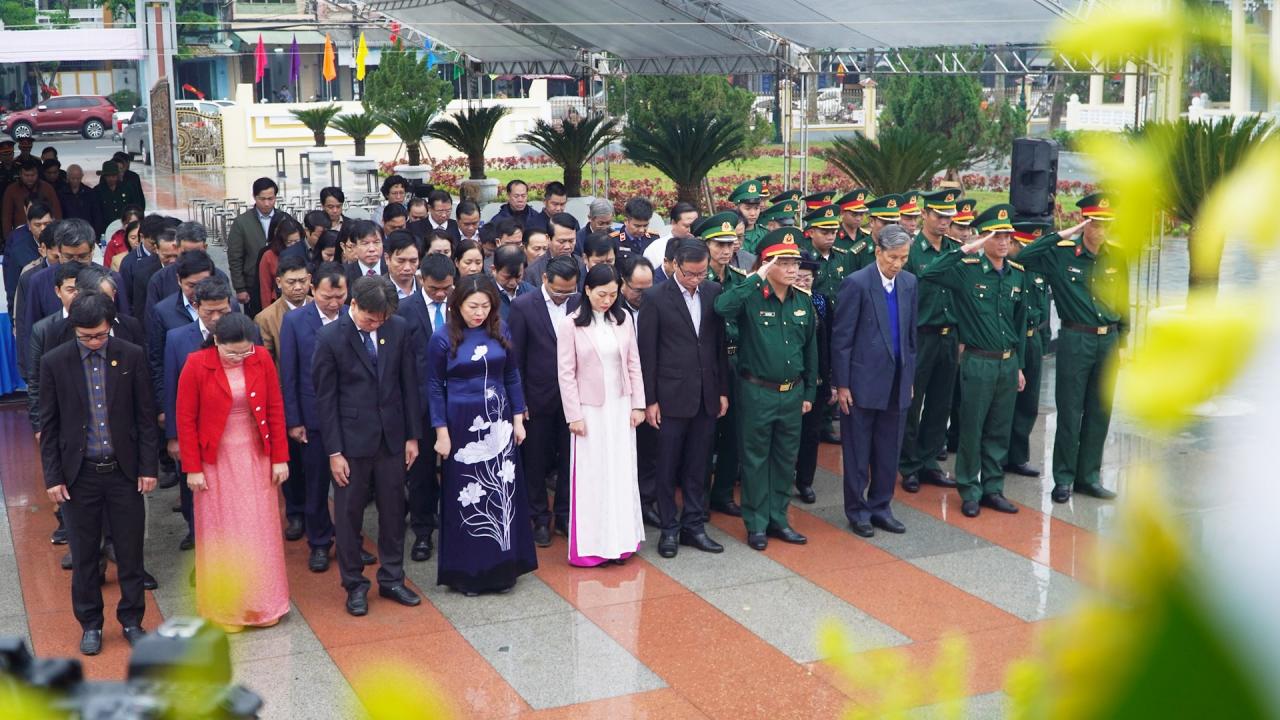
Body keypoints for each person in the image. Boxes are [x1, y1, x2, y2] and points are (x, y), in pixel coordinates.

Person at [39, 292, 158, 656]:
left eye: (100, 335)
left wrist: (147, 468)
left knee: (130, 550)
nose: (94, 342)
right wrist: (53, 477)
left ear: (111, 326)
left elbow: (145, 417)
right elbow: (50, 424)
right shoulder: (55, 362)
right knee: (85, 555)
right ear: (73, 329)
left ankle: (132, 620)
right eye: (86, 336)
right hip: (79, 475)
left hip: (123, 472)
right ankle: (91, 623)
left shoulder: (130, 355)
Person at [312, 277, 422, 616]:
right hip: (350, 442)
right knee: (349, 515)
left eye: (381, 320)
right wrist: (334, 452)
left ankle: (391, 578)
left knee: (392, 511)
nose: (375, 324)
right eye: (369, 318)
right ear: (353, 304)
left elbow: (409, 385)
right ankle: (354, 585)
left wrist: (412, 436)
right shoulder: (330, 337)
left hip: (391, 437)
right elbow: (325, 400)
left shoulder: (398, 329)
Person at [176, 313, 290, 631]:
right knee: (222, 532)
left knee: (260, 530)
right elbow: (185, 419)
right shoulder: (197, 364)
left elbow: (275, 407)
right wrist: (193, 468)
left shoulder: (261, 358)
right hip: (216, 459)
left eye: (245, 351)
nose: (240, 357)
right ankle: (226, 608)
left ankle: (263, 603)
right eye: (233, 352)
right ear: (216, 342)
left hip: (256, 455)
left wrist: (280, 458)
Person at [1012, 194, 1125, 504]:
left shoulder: (1116, 256)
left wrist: (1124, 342)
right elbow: (1023, 256)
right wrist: (1063, 234)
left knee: (1100, 411)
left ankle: (1088, 477)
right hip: (1077, 339)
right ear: (1085, 223)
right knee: (1071, 410)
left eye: (1106, 224)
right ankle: (1063, 478)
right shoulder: (1061, 254)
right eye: (1095, 223)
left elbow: (1124, 302)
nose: (1101, 230)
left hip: (1109, 339)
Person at [918, 205, 1028, 518]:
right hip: (978, 361)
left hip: (1007, 363)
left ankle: (993, 488)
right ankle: (970, 488)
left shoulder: (1016, 275)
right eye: (996, 235)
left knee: (998, 429)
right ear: (983, 238)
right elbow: (930, 273)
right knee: (972, 428)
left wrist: (1018, 364)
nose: (1004, 241)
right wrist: (967, 248)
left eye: (1007, 235)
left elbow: (1018, 323)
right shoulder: (967, 269)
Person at [428, 275, 536, 592]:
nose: (478, 312)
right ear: (457, 305)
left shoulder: (499, 330)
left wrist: (518, 418)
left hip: (499, 419)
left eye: (485, 306)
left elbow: (513, 373)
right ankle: (467, 571)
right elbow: (434, 387)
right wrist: (441, 432)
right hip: (461, 421)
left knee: (502, 491)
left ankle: (504, 567)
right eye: (472, 306)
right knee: (467, 495)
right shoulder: (442, 338)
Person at [713, 227, 817, 551]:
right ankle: (756, 523)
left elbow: (811, 351)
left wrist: (810, 394)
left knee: (786, 459)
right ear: (765, 263)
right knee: (756, 461)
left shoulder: (803, 302)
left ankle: (779, 519)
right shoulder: (751, 296)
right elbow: (721, 308)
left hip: (792, 393)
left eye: (794, 263)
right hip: (758, 391)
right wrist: (755, 278)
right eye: (782, 263)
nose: (791, 270)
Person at [637, 240, 729, 557]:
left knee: (698, 464)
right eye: (691, 274)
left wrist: (722, 391)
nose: (696, 280)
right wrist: (650, 400)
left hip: (705, 394)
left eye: (702, 273)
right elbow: (646, 353)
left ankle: (694, 525)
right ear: (676, 266)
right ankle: (669, 529)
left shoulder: (713, 292)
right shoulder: (655, 298)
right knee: (666, 466)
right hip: (670, 396)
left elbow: (718, 348)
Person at [557, 265, 647, 566]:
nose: (607, 300)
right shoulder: (570, 324)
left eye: (612, 294)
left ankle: (622, 541)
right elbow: (566, 373)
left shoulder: (623, 320)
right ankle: (592, 546)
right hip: (589, 410)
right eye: (601, 294)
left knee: (621, 472)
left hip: (620, 405)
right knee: (592, 475)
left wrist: (638, 404)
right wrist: (573, 415)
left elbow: (634, 364)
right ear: (586, 291)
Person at [832, 224, 917, 537]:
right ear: (878, 251)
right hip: (861, 383)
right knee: (857, 451)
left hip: (897, 382)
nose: (897, 264)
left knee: (888, 449)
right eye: (892, 257)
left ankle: (882, 506)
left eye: (903, 258)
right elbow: (841, 339)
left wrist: (909, 376)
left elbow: (910, 338)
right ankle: (857, 511)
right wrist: (841, 384)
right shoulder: (856, 283)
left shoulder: (909, 283)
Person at [162, 276, 242, 552]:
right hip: (195, 431)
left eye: (224, 311)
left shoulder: (243, 331)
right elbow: (171, 388)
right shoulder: (178, 339)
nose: (218, 318)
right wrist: (173, 437)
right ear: (196, 306)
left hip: (234, 431)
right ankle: (199, 538)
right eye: (211, 312)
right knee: (194, 492)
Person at [278, 263, 346, 571]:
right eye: (327, 296)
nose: (334, 303)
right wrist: (293, 420)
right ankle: (319, 542)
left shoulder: (353, 316)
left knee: (351, 485)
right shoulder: (294, 321)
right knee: (316, 484)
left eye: (340, 295)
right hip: (313, 416)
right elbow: (288, 373)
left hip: (351, 415)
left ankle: (349, 540)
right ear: (312, 290)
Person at [509, 256, 581, 545]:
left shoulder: (578, 304)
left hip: (573, 398)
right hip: (537, 398)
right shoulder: (523, 307)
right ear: (545, 280)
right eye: (559, 290)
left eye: (570, 290)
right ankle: (539, 517)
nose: (564, 295)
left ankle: (564, 513)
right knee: (536, 461)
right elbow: (517, 359)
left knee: (570, 458)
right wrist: (520, 401)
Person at [897, 191, 961, 494]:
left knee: (940, 402)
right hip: (920, 335)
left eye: (949, 216)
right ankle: (909, 464)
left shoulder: (956, 249)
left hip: (949, 336)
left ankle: (929, 460)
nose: (944, 222)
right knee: (912, 402)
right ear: (925, 215)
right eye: (939, 216)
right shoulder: (911, 251)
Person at [397, 254, 455, 562]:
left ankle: (457, 526)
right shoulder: (405, 312)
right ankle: (422, 531)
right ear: (421, 281)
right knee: (419, 473)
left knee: (458, 468)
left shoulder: (461, 307)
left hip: (457, 403)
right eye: (435, 288)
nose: (441, 294)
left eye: (446, 287)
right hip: (419, 405)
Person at [699, 213, 748, 517]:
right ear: (705, 244)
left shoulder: (741, 281)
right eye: (719, 244)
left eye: (730, 244)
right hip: (706, 365)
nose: (725, 250)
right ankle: (700, 496)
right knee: (705, 435)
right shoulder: (697, 281)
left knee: (733, 433)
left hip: (735, 360)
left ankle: (724, 492)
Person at [1005, 219, 1054, 478]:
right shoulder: (1011, 269)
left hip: (1033, 338)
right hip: (1012, 339)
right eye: (1025, 244)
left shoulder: (1037, 270)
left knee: (1028, 402)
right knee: (1005, 402)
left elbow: (1043, 310)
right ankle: (997, 456)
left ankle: (1018, 456)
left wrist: (1043, 342)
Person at [617, 254, 659, 526]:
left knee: (649, 451)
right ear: (623, 283)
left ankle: (646, 502)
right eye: (637, 289)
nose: (643, 295)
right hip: (618, 392)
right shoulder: (610, 307)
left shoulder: (658, 305)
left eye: (648, 288)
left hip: (650, 388)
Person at [792, 253, 832, 505]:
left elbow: (830, 343)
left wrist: (831, 379)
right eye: (799, 277)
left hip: (816, 378)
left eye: (808, 277)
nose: (804, 282)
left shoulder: (821, 302)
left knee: (811, 433)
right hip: (789, 380)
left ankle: (805, 480)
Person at [227, 178, 287, 315]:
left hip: (281, 282)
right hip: (253, 284)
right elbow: (235, 257)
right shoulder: (242, 223)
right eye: (262, 199)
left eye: (271, 199)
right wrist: (240, 288)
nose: (267, 203)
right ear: (254, 197)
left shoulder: (284, 219)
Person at [4, 201, 52, 316]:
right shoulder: (17, 251)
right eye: (37, 225)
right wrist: (15, 322)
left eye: (47, 224)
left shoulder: (62, 246)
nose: (43, 228)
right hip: (30, 312)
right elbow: (12, 291)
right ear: (29, 226)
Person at [2, 156, 60, 239]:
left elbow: (56, 214)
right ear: (20, 174)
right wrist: (8, 239)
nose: (30, 178)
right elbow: (6, 218)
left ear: (38, 174)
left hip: (45, 233)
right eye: (26, 175)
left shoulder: (47, 188)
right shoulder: (11, 190)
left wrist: (56, 236)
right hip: (20, 235)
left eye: (33, 175)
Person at [528, 213, 585, 287]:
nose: (567, 246)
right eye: (561, 241)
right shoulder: (533, 271)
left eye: (571, 241)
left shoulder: (582, 265)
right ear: (548, 238)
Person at [257, 216, 303, 308]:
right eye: (290, 242)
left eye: (297, 241)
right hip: (278, 304)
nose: (293, 245)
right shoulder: (269, 256)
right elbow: (265, 288)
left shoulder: (304, 253)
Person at [491, 244, 533, 322]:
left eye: (518, 277)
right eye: (507, 277)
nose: (512, 283)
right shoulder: (486, 294)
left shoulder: (532, 293)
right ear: (494, 269)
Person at [342, 219, 386, 286]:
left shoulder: (392, 269)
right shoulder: (344, 274)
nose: (372, 249)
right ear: (354, 247)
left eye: (376, 242)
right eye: (365, 243)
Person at [57, 164, 100, 232]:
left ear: (82, 177)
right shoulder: (61, 193)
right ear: (67, 177)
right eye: (73, 178)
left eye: (78, 178)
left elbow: (96, 214)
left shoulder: (89, 193)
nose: (75, 181)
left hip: (86, 230)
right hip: (68, 231)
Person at [729, 179, 767, 253]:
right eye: (747, 208)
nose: (753, 213)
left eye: (756, 208)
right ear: (737, 208)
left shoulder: (765, 234)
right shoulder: (729, 233)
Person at [384, 230, 420, 299]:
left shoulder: (426, 289)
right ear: (387, 259)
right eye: (401, 261)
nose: (407, 268)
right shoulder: (375, 292)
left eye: (413, 261)